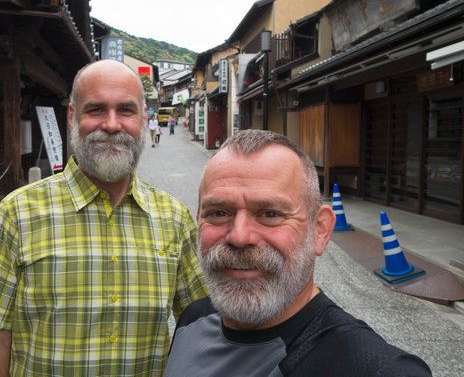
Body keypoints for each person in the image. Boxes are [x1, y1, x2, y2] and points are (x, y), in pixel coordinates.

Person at [0, 59, 208, 376]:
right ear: (73, 116)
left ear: (144, 118)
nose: (112, 124)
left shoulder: (175, 218)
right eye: (96, 109)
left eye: (126, 110)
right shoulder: (18, 212)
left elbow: (200, 326)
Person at [164, 129, 432, 376]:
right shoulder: (193, 319)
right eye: (219, 213)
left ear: (321, 230)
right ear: (199, 219)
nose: (239, 236)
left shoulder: (374, 368)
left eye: (270, 214)